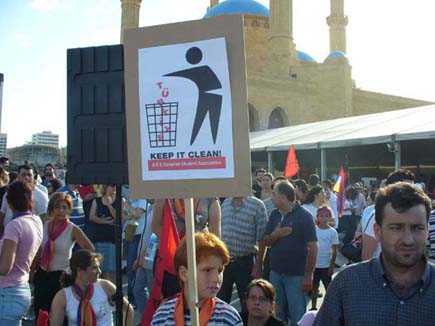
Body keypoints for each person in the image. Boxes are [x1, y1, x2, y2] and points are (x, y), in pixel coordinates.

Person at [315, 182, 435, 325]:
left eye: (417, 228)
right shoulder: (347, 284)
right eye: (397, 228)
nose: (408, 240)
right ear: (377, 232)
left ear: (427, 231)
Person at [151, 232, 243, 325]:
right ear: (184, 273)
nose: (216, 278)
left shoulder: (229, 318)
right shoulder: (162, 316)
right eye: (207, 270)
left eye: (220, 270)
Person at [261, 181, 318, 325]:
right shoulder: (274, 215)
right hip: (276, 274)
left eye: (274, 194)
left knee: (297, 316)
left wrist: (308, 276)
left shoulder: (304, 216)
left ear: (283, 197)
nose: (271, 197)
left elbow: (313, 247)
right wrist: (276, 235)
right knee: (277, 315)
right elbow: (266, 241)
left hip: (297, 276)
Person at [33, 192, 95, 320]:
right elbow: (40, 249)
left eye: (64, 207)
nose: (61, 211)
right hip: (43, 274)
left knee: (59, 315)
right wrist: (32, 269)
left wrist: (75, 267)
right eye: (57, 207)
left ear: (69, 209)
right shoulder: (46, 225)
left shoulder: (72, 229)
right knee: (40, 313)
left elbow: (90, 249)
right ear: (51, 209)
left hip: (61, 276)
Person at [50, 249, 134, 325]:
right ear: (80, 270)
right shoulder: (62, 296)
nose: (99, 271)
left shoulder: (105, 286)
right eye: (94, 268)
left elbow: (128, 310)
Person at [0, 180, 43, 324]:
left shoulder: (14, 225)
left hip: (8, 293)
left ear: (9, 202)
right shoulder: (36, 221)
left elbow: (5, 268)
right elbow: (38, 251)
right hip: (21, 288)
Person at [218, 196, 267, 309]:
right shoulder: (226, 203)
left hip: (245, 263)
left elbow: (262, 239)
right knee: (220, 302)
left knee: (247, 303)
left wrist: (259, 265)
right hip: (224, 263)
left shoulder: (257, 205)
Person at [362, 168, 416, 260]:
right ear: (392, 188)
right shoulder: (377, 215)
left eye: (413, 188)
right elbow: (367, 254)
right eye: (407, 189)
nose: (412, 193)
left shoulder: (416, 215)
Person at [88, 184, 120, 282]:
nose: (114, 188)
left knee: (113, 269)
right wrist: (107, 222)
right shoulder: (97, 200)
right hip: (100, 237)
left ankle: (112, 291)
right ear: (106, 187)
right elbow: (92, 217)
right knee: (101, 268)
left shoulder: (119, 200)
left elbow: (118, 218)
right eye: (112, 186)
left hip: (113, 238)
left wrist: (110, 205)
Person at [309, 206, 338, 311]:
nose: (324, 218)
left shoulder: (332, 232)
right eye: (321, 216)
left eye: (326, 216)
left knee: (328, 288)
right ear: (317, 217)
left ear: (330, 217)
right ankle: (313, 307)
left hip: (326, 265)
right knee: (314, 287)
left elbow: (334, 250)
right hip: (314, 265)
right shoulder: (314, 230)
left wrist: (331, 266)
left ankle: (329, 308)